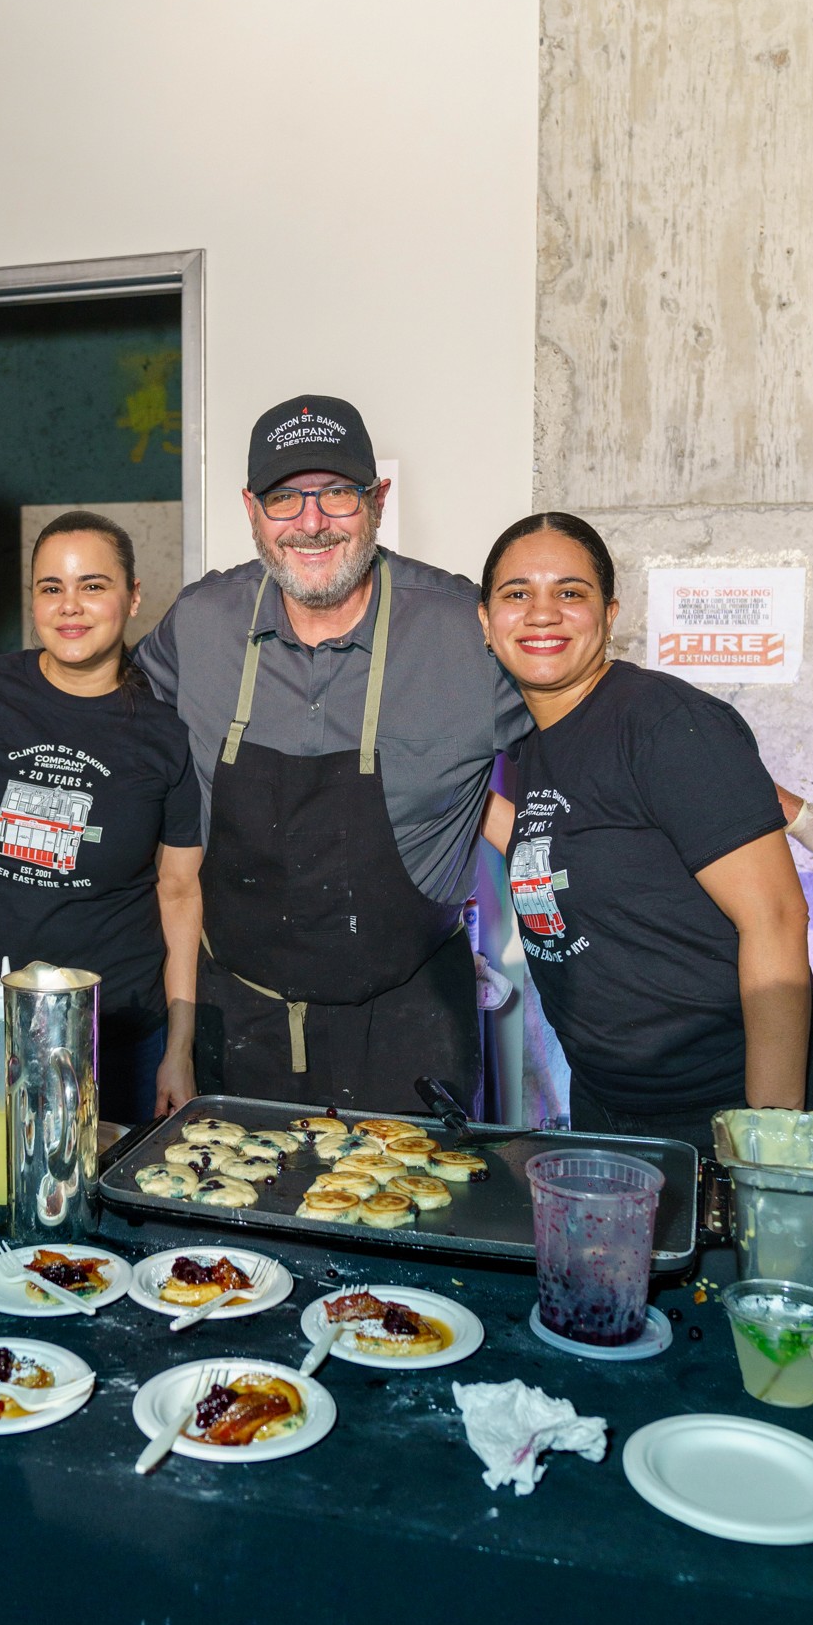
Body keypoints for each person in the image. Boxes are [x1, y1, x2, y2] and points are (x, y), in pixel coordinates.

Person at [134, 395, 528, 1112]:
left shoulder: (462, 633)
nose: (311, 523)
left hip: (409, 1024)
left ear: (377, 501)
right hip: (235, 1020)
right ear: (250, 510)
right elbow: (114, 741)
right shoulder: (200, 626)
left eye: (337, 493)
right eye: (284, 498)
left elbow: (580, 762)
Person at [478, 510, 813, 1152]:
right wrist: (449, 792)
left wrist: (771, 1136)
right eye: (517, 594)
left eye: (570, 592)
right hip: (609, 1105)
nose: (542, 613)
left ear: (609, 613)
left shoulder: (665, 723)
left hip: (727, 1108)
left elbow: (776, 917)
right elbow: (558, 854)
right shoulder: (537, 742)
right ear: (486, 620)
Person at [0, 511, 203, 1123]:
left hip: (117, 1038)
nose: (70, 606)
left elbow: (179, 893)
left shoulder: (165, 737)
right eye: (51, 587)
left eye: (93, 585)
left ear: (133, 596)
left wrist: (179, 1048)